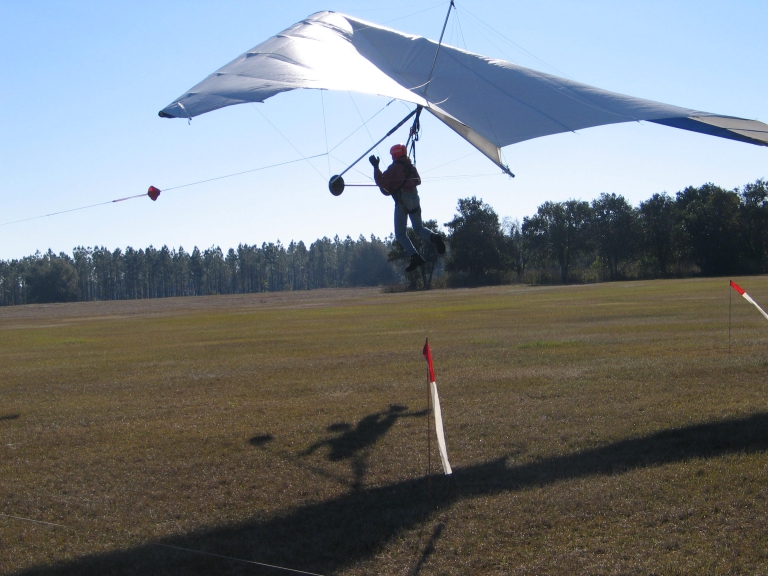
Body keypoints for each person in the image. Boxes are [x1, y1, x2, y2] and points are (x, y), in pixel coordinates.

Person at [370, 144, 446, 272]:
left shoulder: (394, 167)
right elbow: (418, 181)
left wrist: (376, 167)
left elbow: (381, 182)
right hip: (415, 199)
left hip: (403, 202)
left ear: (395, 155)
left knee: (400, 234)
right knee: (419, 228)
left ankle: (415, 257)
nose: (392, 157)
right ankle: (434, 237)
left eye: (392, 155)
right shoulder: (411, 167)